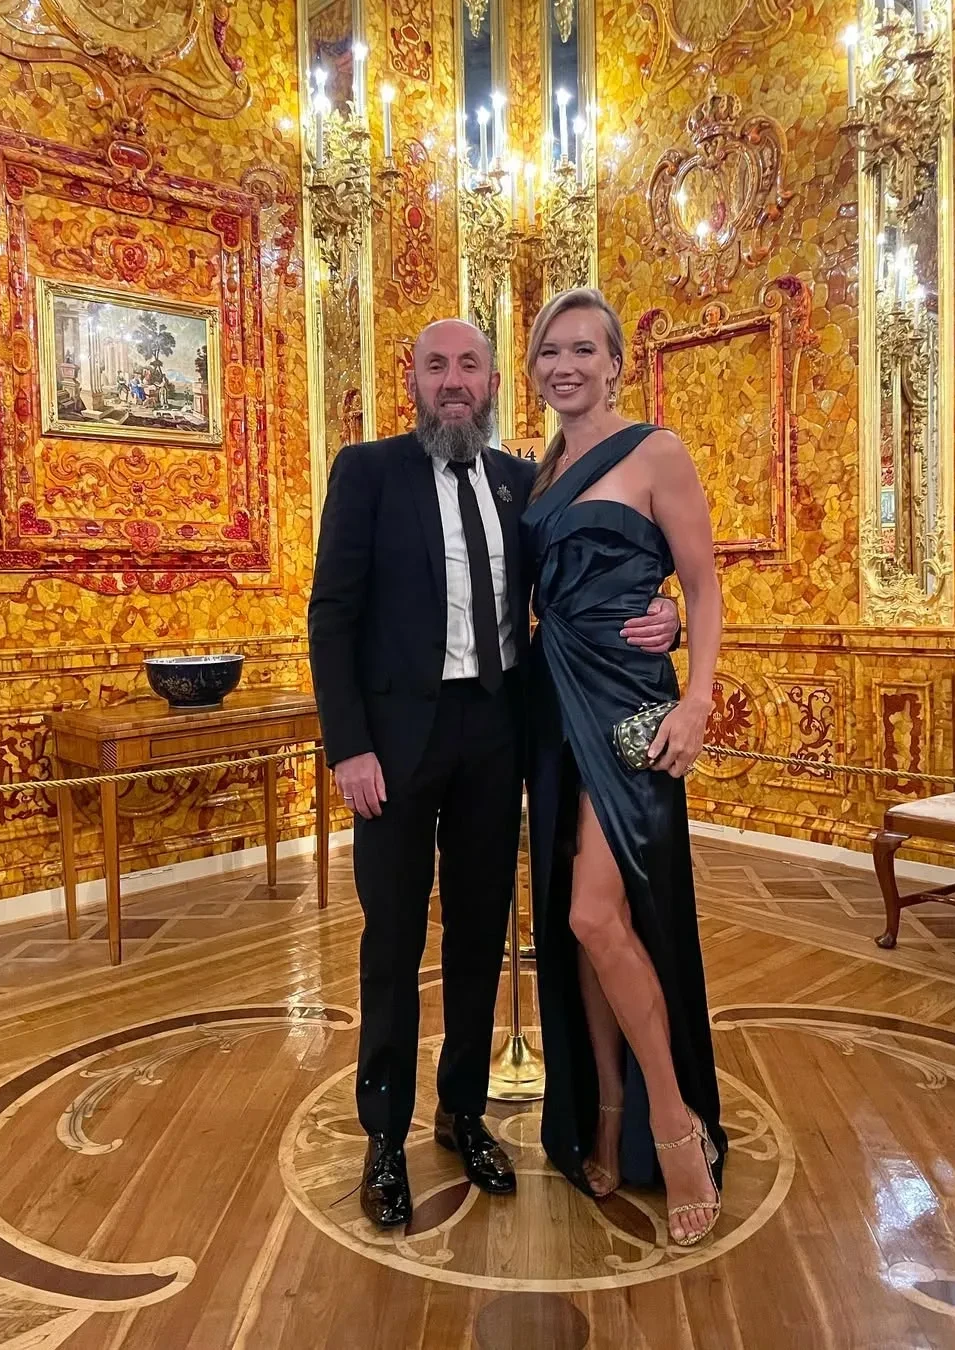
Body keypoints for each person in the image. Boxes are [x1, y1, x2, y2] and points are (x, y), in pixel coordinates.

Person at [308, 318, 680, 1229]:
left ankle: (462, 1113)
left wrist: (663, 611)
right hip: (392, 748)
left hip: (496, 738)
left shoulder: (524, 482)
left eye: (468, 365)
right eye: (435, 365)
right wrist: (349, 747)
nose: (452, 381)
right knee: (393, 944)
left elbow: (588, 577)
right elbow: (330, 614)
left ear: (491, 383)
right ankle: (384, 1140)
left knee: (481, 937)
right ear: (413, 381)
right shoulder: (367, 472)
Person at [521, 288, 726, 1248]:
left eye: (583, 350)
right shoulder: (536, 474)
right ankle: (606, 1111)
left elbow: (703, 584)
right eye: (548, 352)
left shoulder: (657, 451)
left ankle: (675, 1126)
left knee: (596, 914)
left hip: (633, 708)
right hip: (552, 707)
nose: (565, 366)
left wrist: (697, 697)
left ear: (614, 363)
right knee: (583, 929)